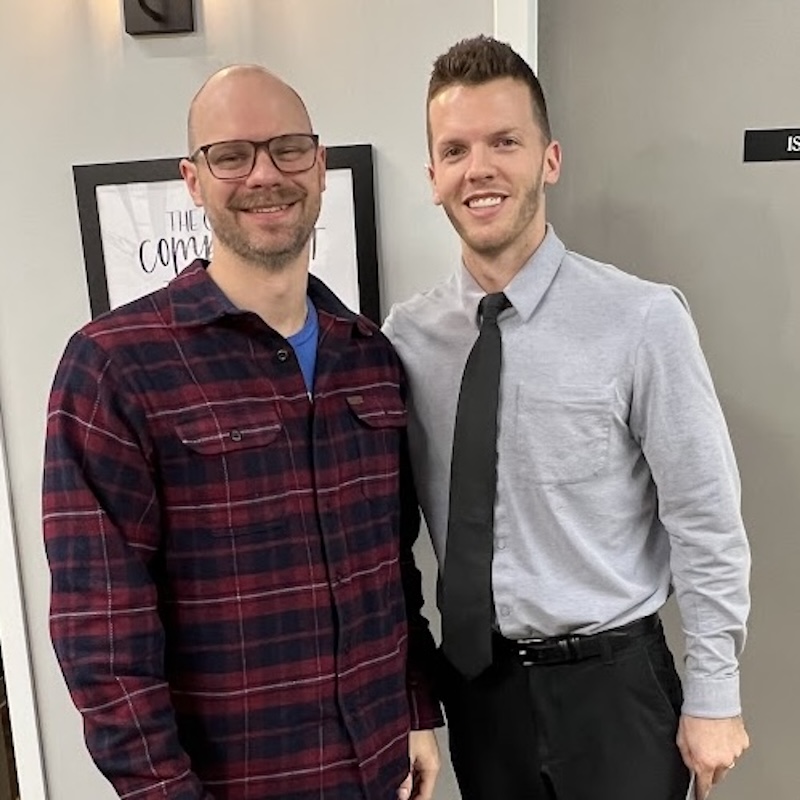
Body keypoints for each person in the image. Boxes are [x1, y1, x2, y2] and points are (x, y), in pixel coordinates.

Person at [43, 64, 441, 800]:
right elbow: (103, 639)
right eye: (232, 155)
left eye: (288, 149)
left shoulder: (370, 358)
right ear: (193, 181)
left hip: (381, 769)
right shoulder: (114, 368)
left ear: (319, 167)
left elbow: (393, 567)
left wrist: (417, 709)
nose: (265, 174)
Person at [383, 35, 750, 800]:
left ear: (549, 160)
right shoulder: (405, 341)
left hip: (614, 692)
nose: (478, 168)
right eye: (455, 150)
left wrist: (715, 692)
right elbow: (387, 540)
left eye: (504, 142)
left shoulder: (642, 320)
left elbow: (705, 518)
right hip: (481, 695)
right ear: (433, 178)